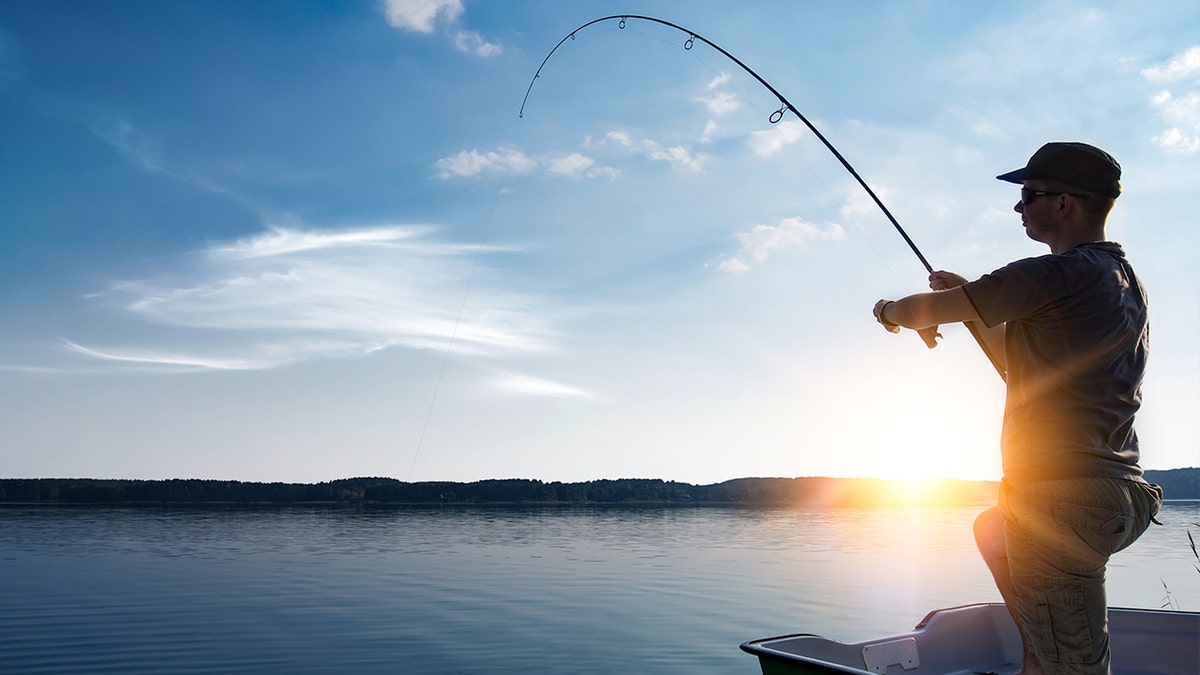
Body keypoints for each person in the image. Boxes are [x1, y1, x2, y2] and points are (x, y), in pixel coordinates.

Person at [870, 142, 1162, 674]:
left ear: (1065, 204)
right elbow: (1014, 360)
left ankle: (1049, 661)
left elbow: (920, 312)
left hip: (1060, 498)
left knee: (1076, 669)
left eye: (1029, 196)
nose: (1019, 208)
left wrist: (888, 312)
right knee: (994, 529)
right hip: (1122, 496)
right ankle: (1035, 652)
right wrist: (969, 301)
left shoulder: (1053, 274)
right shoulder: (1123, 283)